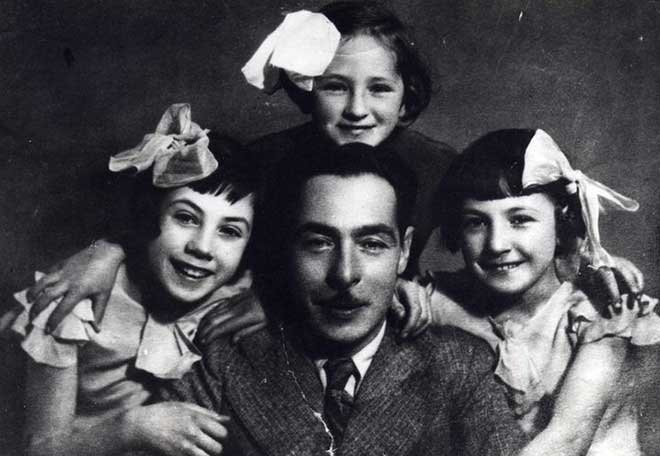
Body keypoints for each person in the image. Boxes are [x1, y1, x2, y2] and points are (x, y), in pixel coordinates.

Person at [24, 1, 641, 335]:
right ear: (304, 90)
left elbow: (507, 233)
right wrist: (107, 249)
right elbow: (176, 214)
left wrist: (591, 265)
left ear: (407, 95)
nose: (357, 110)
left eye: (378, 89)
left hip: (381, 321)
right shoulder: (264, 160)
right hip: (260, 324)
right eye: (334, 87)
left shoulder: (438, 166)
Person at [157, 141, 528, 455]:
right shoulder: (221, 363)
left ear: (403, 252)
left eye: (371, 244)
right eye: (319, 243)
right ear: (286, 249)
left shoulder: (460, 367)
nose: (345, 273)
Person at [8, 104, 261, 456]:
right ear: (148, 215)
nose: (202, 247)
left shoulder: (234, 297)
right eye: (186, 218)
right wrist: (130, 429)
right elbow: (37, 450)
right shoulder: (75, 303)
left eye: (229, 231)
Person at [426, 128, 660, 455]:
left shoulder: (597, 313)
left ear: (562, 224)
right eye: (476, 223)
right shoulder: (445, 297)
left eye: (520, 219)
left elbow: (568, 439)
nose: (496, 244)